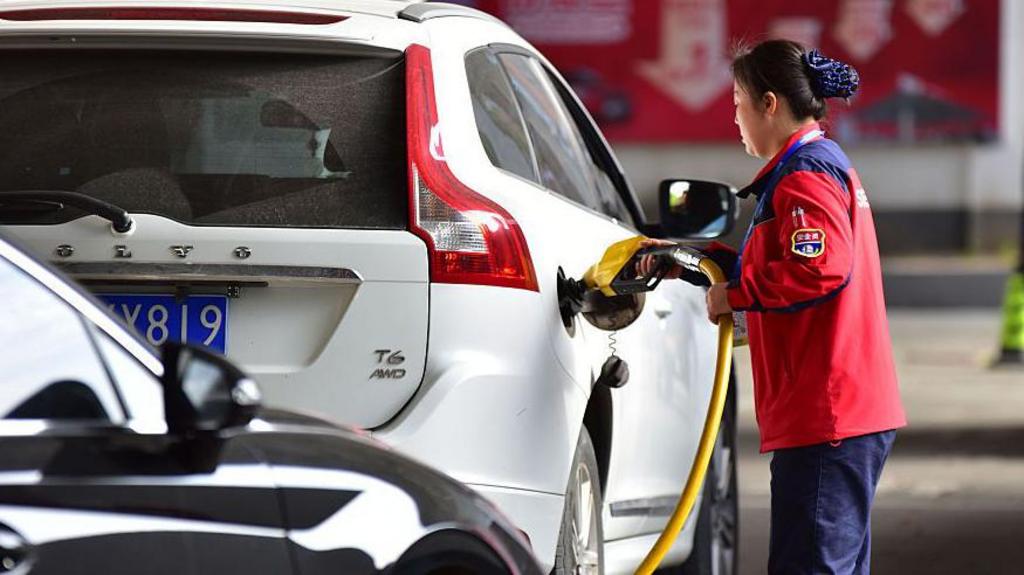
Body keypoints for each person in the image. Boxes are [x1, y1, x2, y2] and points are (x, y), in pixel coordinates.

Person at [639, 40, 906, 574]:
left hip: (827, 414)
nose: (734, 118)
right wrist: (689, 260)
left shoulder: (805, 174)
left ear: (769, 104)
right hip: (838, 412)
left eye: (738, 103)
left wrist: (734, 296)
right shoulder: (815, 167)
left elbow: (819, 268)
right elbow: (782, 261)